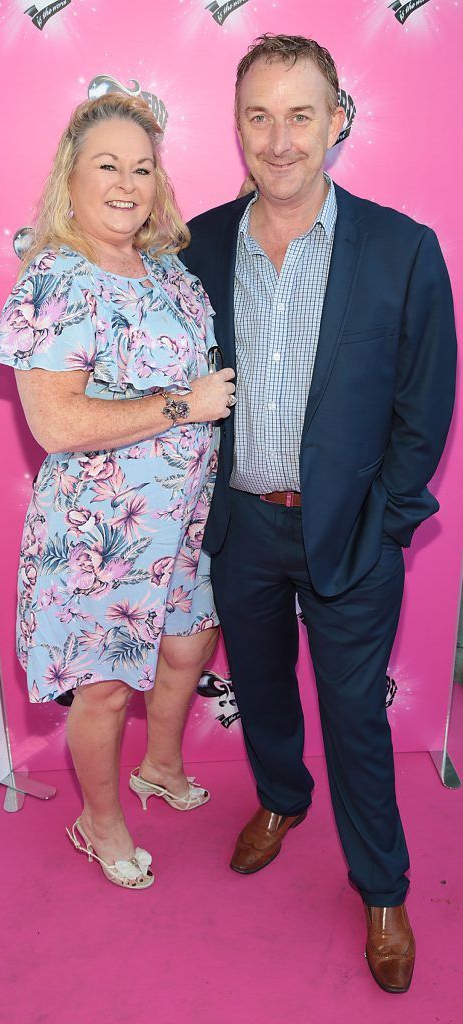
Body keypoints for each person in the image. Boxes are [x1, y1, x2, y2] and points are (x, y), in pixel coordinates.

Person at [182, 33, 456, 991]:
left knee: (354, 715)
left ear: (338, 120)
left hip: (352, 534)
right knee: (260, 689)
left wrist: (386, 524)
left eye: (301, 114)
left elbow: (426, 409)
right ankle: (281, 798)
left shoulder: (404, 250)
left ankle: (382, 886)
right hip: (242, 527)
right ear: (239, 128)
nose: (280, 137)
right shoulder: (199, 244)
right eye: (259, 115)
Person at [0, 93, 235, 890]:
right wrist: (180, 406)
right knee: (105, 687)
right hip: (103, 530)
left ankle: (158, 765)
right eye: (107, 165)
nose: (127, 183)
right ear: (72, 177)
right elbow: (55, 423)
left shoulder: (167, 270)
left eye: (142, 167)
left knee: (191, 642)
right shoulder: (57, 279)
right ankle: (99, 820)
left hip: (183, 517)